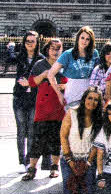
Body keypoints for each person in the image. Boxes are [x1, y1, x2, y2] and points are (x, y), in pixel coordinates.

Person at [22, 38, 67, 181]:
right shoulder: (40, 64)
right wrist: (45, 74)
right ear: (47, 50)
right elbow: (31, 82)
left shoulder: (64, 65)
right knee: (37, 139)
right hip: (42, 107)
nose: (55, 51)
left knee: (55, 138)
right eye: (53, 48)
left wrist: (63, 86)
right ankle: (32, 168)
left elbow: (69, 82)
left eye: (58, 48)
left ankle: (54, 167)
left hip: (58, 107)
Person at [59, 87, 103, 194]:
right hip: (69, 158)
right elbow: (63, 136)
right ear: (84, 99)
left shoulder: (99, 118)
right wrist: (70, 161)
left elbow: (97, 143)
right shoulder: (72, 112)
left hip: (88, 159)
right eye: (90, 98)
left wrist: (88, 163)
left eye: (96, 100)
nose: (92, 102)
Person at [48, 26, 100, 110]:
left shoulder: (94, 53)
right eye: (82, 38)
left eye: (87, 39)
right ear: (78, 38)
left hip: (89, 93)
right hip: (72, 94)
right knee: (73, 121)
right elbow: (50, 74)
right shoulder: (68, 54)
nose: (84, 41)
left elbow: (98, 73)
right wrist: (59, 94)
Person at [13, 31, 44, 170]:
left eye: (32, 41)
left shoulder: (41, 59)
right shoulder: (20, 57)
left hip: (33, 99)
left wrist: (31, 83)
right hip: (19, 98)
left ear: (37, 43)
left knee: (32, 130)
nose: (29, 44)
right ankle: (21, 161)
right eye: (27, 41)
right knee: (21, 130)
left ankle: (28, 161)